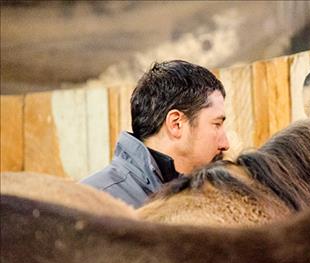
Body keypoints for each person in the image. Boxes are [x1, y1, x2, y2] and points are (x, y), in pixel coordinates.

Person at [81, 60, 230, 208]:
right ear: (176, 124)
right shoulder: (89, 205)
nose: (226, 144)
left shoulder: (208, 196)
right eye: (216, 124)